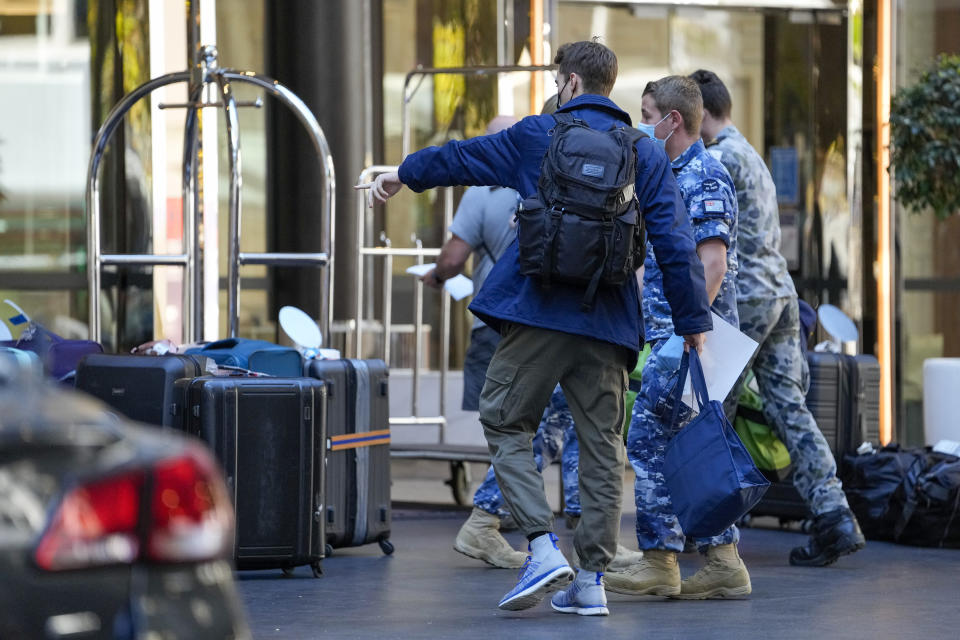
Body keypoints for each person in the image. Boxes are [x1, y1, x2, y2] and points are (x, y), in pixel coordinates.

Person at [357, 40, 712, 617]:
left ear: (570, 82)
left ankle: (542, 546)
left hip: (538, 313)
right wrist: (693, 321)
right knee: (601, 450)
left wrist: (403, 173)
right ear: (609, 84)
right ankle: (592, 581)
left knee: (502, 417)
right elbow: (674, 241)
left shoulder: (536, 135)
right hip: (611, 321)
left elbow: (463, 158)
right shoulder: (642, 152)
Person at [690, 69, 865, 567]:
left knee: (709, 408)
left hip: (744, 299)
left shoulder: (718, 159)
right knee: (791, 408)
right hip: (781, 293)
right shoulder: (750, 153)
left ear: (698, 113)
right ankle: (834, 516)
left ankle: (707, 529)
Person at [603, 75, 747, 600]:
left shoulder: (705, 176)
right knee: (685, 447)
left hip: (692, 340)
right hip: (677, 336)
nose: (642, 124)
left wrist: (685, 335)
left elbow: (712, 265)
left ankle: (661, 562)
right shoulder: (669, 173)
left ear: (673, 120)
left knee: (649, 441)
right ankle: (721, 560)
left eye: (646, 114)